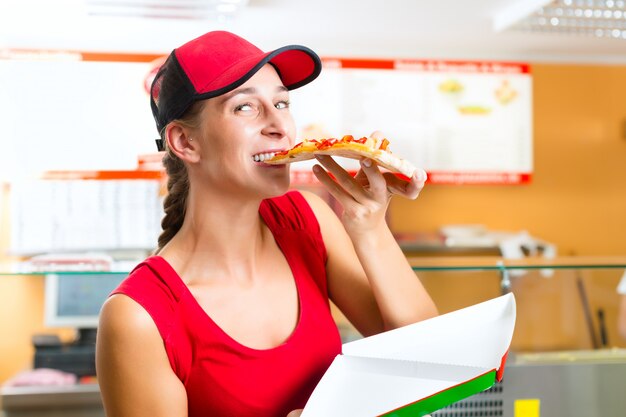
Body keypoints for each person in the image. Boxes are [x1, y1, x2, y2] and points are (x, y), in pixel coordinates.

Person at [95, 30, 437, 417]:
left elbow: (429, 362)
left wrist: (370, 226)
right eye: (245, 107)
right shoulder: (139, 316)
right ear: (185, 142)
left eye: (281, 102)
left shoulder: (308, 222)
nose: (280, 126)